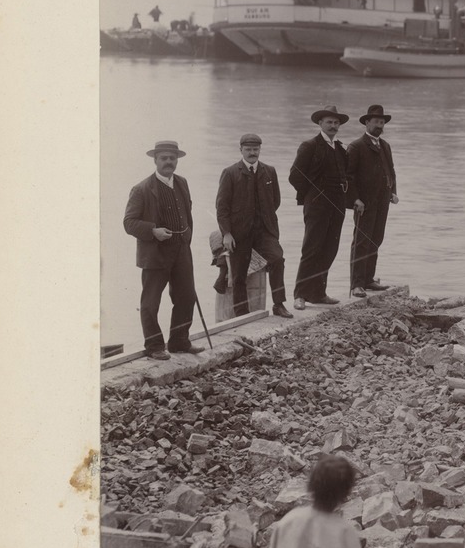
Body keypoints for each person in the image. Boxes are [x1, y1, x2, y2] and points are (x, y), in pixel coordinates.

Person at [122, 140, 200, 360]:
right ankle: (155, 346)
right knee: (150, 303)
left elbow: (188, 212)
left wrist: (186, 237)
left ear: (177, 161)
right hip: (155, 254)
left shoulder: (182, 183)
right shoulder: (141, 189)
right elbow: (129, 223)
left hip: (181, 250)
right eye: (164, 158)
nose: (168, 162)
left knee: (186, 297)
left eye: (172, 158)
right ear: (155, 160)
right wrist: (153, 231)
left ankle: (179, 341)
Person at [214, 133, 292, 319]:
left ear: (260, 150)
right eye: (248, 149)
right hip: (239, 233)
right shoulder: (230, 172)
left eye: (255, 149)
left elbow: (276, 201)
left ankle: (278, 304)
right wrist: (227, 233)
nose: (252, 153)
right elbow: (221, 207)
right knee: (239, 274)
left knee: (277, 260)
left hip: (265, 231)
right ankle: (242, 314)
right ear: (240, 150)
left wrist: (265, 222)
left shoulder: (269, 171)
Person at [288, 105, 353, 310]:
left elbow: (347, 176)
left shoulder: (341, 148)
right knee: (312, 248)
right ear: (320, 124)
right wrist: (312, 196)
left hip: (337, 205)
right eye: (329, 122)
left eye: (336, 123)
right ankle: (300, 294)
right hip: (316, 205)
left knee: (330, 248)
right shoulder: (309, 146)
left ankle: (318, 293)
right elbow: (295, 176)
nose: (333, 126)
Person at [346, 104, 399, 298]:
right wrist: (355, 199)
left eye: (382, 122)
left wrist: (393, 190)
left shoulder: (385, 145)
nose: (379, 125)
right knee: (361, 241)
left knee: (376, 239)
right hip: (364, 203)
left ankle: (369, 280)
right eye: (376, 121)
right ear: (366, 123)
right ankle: (356, 284)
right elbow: (348, 176)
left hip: (382, 201)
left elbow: (390, 170)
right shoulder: (356, 146)